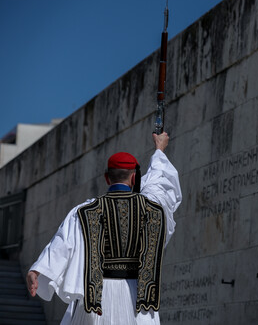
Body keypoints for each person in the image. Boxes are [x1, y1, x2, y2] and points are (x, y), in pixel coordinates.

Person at [25, 132, 182, 325]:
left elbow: (63, 243)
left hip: (96, 299)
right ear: (134, 179)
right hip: (139, 298)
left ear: (107, 178)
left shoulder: (84, 211)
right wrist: (159, 150)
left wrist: (38, 269)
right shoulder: (153, 208)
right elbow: (160, 183)